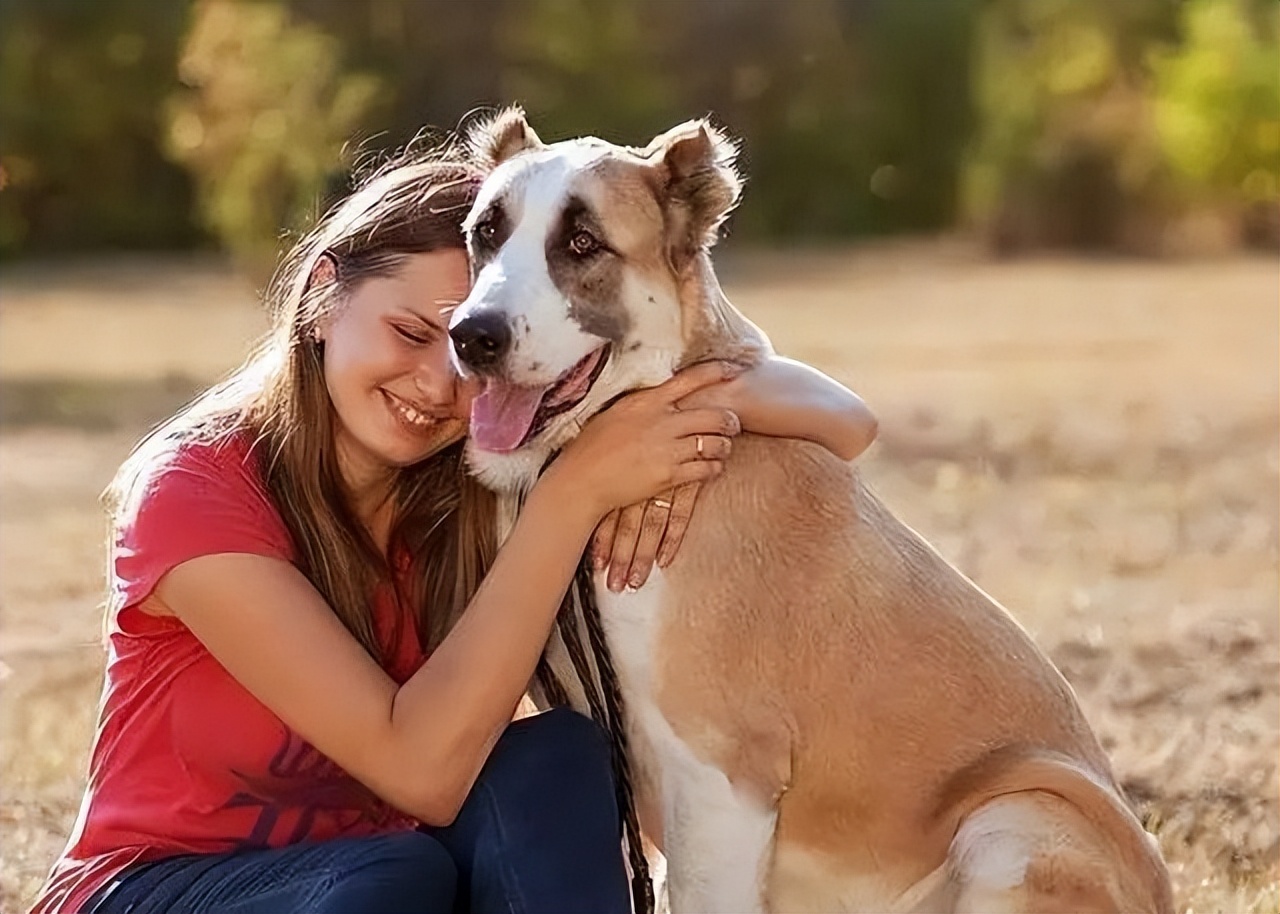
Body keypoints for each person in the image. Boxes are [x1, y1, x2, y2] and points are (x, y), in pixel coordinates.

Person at [32, 149, 877, 914]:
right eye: (410, 333)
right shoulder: (193, 490)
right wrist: (576, 494)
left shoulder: (467, 477)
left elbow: (842, 418)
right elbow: (420, 776)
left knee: (554, 760)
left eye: (474, 347)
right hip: (159, 886)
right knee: (389, 881)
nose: (440, 386)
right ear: (324, 301)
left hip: (376, 870)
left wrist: (669, 417)